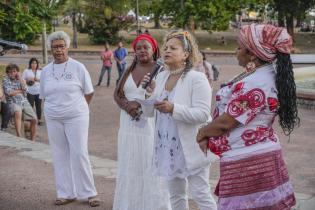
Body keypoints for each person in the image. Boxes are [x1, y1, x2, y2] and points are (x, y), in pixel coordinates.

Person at [196, 24, 299, 209]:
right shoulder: (261, 75)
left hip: (248, 161)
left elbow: (226, 123)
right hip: (255, 154)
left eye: (239, 47)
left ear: (252, 54)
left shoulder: (256, 83)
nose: (236, 51)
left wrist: (202, 132)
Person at [141, 30, 217, 210]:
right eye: (165, 48)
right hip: (167, 146)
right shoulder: (160, 76)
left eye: (173, 48)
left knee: (200, 194)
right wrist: (148, 94)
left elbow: (202, 114)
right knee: (176, 195)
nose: (166, 51)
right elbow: (149, 113)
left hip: (190, 146)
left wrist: (173, 108)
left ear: (186, 54)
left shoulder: (197, 78)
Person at [40, 31, 100, 207]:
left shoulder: (78, 67)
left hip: (76, 116)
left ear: (67, 47)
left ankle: (90, 193)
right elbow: (43, 95)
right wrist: (51, 111)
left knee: (79, 152)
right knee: (59, 155)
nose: (58, 50)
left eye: (61, 46)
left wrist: (80, 109)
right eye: (55, 47)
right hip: (53, 117)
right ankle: (66, 193)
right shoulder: (45, 71)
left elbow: (89, 93)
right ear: (50, 49)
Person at [113, 33, 170, 210]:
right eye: (138, 48)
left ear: (154, 49)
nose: (142, 50)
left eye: (146, 47)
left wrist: (139, 103)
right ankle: (129, 204)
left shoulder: (162, 70)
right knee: (130, 164)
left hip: (150, 124)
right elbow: (117, 93)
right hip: (128, 124)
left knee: (150, 165)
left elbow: (164, 94)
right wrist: (127, 106)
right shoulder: (129, 69)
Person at [2, 63, 37, 140]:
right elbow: (9, 93)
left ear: (17, 72)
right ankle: (19, 137)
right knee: (18, 112)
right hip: (12, 102)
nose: (12, 73)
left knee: (34, 119)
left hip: (24, 101)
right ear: (7, 73)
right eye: (10, 72)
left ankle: (33, 141)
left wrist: (20, 78)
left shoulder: (21, 79)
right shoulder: (5, 80)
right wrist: (21, 91)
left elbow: (26, 90)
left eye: (14, 71)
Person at [22, 57, 43, 125]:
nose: (34, 64)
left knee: (38, 106)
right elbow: (22, 80)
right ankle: (30, 119)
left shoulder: (40, 71)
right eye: (32, 63)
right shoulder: (26, 71)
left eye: (35, 63)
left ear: (37, 64)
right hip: (30, 91)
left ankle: (39, 119)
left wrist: (37, 79)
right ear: (30, 64)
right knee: (30, 106)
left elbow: (44, 81)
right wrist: (27, 80)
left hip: (38, 91)